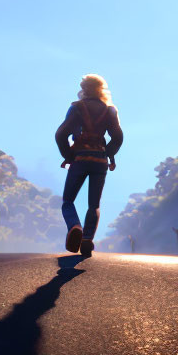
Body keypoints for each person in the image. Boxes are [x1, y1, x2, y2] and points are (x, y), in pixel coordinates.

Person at [55, 73, 123, 257]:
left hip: (80, 160)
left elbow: (61, 134)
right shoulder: (109, 110)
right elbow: (117, 138)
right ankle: (86, 240)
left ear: (85, 89)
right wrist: (108, 154)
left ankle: (74, 226)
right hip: (100, 161)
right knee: (94, 205)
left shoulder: (76, 108)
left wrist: (68, 155)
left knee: (68, 201)